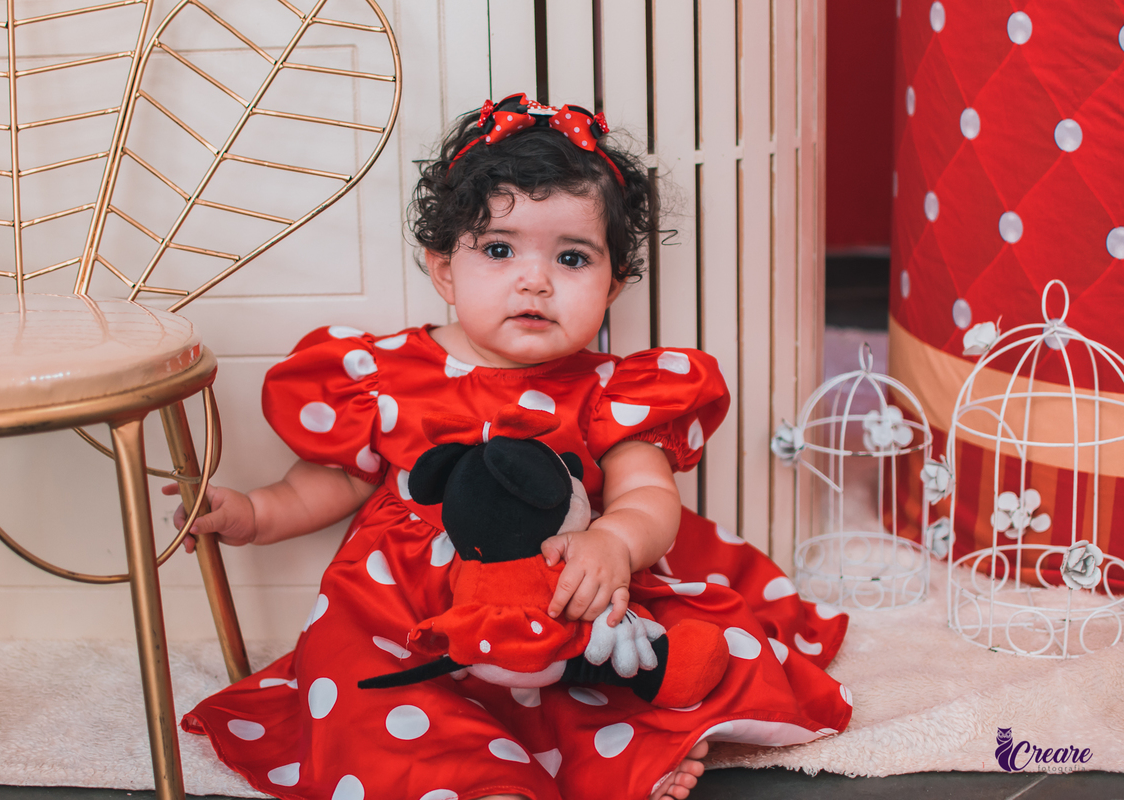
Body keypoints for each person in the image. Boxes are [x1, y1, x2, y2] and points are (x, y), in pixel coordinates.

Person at [169, 93, 851, 800]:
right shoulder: (384, 376)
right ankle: (467, 778)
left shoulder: (609, 390)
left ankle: (630, 757)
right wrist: (252, 513)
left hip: (556, 590)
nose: (535, 279)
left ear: (613, 284)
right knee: (362, 677)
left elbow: (649, 496)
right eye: (499, 249)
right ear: (443, 271)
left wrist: (613, 543)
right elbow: (331, 482)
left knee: (622, 655)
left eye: (572, 257)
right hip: (407, 607)